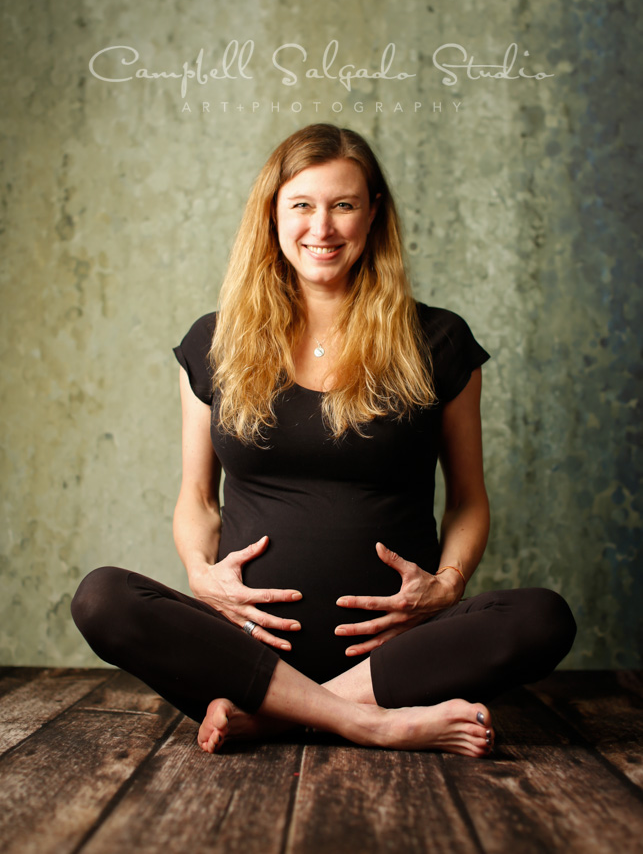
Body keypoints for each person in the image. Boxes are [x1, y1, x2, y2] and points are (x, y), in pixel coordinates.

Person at [71, 123, 576, 758]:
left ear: (374, 214)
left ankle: (283, 717)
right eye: (302, 205)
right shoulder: (214, 341)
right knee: (103, 598)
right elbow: (197, 500)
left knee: (543, 619)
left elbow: (469, 499)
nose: (323, 228)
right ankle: (374, 723)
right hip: (244, 647)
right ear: (272, 215)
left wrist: (446, 586)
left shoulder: (439, 342)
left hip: (395, 651)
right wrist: (204, 578)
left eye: (344, 205)